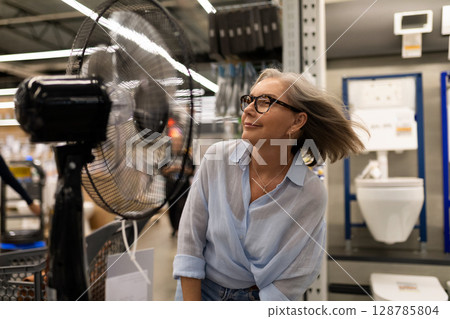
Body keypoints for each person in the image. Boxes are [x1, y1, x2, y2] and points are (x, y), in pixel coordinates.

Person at [173, 68, 365, 301]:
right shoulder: (217, 160)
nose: (249, 110)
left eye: (265, 102)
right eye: (249, 100)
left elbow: (295, 275)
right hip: (200, 290)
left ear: (297, 121)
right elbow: (189, 242)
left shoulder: (309, 192)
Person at [162, 127, 194, 237]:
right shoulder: (167, 156)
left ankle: (181, 228)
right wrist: (173, 169)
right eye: (175, 141)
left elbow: (192, 171)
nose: (177, 143)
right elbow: (163, 171)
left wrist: (182, 170)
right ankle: (174, 228)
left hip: (183, 188)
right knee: (172, 209)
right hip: (171, 188)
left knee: (183, 207)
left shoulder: (187, 156)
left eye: (179, 141)